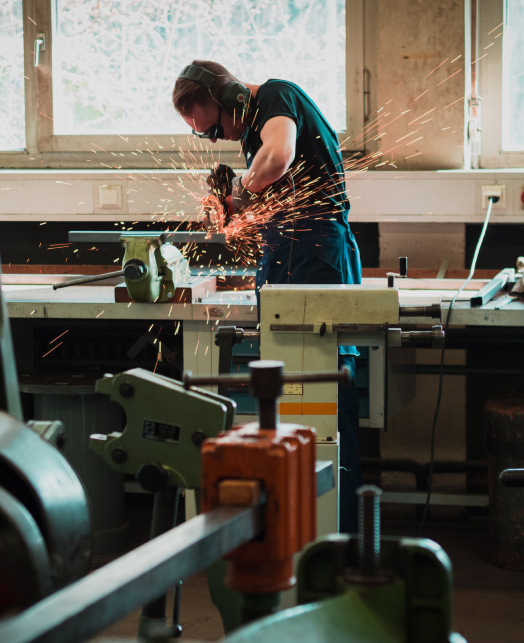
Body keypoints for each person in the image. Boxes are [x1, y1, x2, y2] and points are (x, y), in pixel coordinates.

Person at [172, 60, 362, 533]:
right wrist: (233, 205)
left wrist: (238, 190)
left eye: (213, 127)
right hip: (287, 252)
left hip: (315, 252)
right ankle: (300, 520)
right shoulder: (251, 132)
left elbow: (277, 160)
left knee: (325, 388)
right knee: (292, 387)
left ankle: (336, 527)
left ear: (231, 95)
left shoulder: (276, 97)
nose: (216, 138)